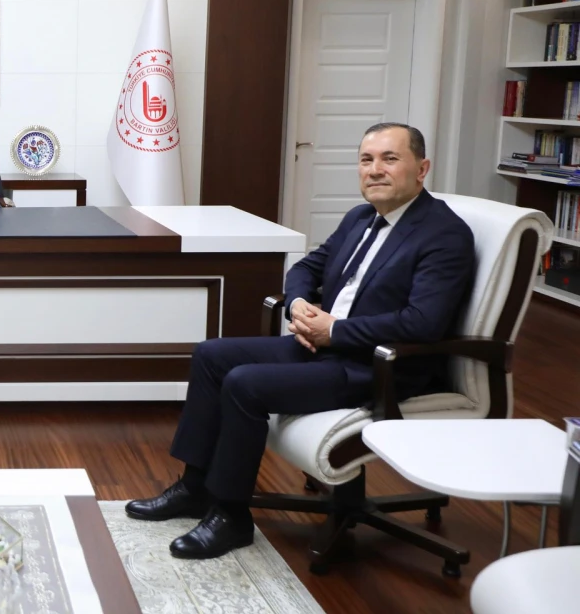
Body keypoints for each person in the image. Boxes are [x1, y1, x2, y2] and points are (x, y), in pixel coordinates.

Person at [125, 122, 475, 560]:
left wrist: (335, 331)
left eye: (390, 159)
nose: (375, 170)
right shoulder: (360, 217)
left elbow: (422, 323)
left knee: (245, 383)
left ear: (421, 169)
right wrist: (299, 306)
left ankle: (232, 515)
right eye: (366, 160)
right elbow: (306, 267)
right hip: (325, 345)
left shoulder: (444, 234)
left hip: (380, 366)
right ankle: (196, 488)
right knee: (211, 354)